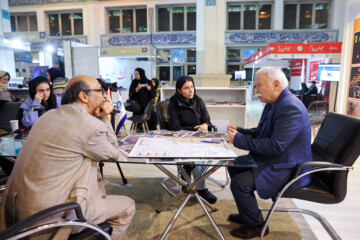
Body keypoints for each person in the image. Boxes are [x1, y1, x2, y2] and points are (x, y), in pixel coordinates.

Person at [0, 75, 135, 239]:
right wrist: (104, 118)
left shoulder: (48, 115)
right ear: (84, 96)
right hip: (50, 216)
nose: (105, 96)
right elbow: (113, 153)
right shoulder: (90, 126)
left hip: (15, 208)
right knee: (127, 206)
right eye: (100, 90)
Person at [226, 66, 312, 239]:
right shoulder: (275, 103)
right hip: (277, 159)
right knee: (234, 165)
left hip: (288, 167)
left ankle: (256, 225)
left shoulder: (290, 107)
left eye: (259, 86)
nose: (256, 90)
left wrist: (239, 140)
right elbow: (261, 132)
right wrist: (240, 132)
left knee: (239, 184)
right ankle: (248, 214)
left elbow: (275, 146)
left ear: (276, 85)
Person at [167, 75, 217, 204]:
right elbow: (175, 128)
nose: (191, 90)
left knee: (203, 155)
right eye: (186, 88)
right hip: (181, 140)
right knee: (196, 156)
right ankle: (201, 188)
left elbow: (207, 120)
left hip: (199, 138)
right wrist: (195, 129)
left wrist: (205, 125)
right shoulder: (173, 104)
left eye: (192, 87)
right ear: (179, 90)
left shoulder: (198, 100)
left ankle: (190, 178)